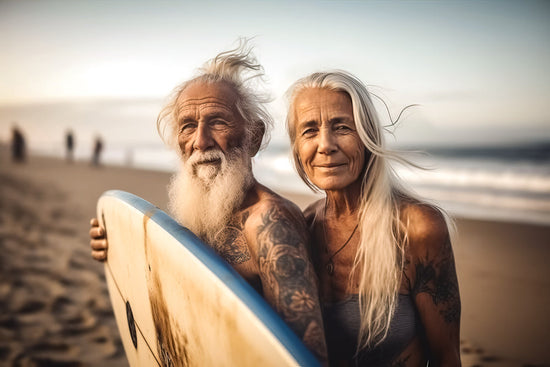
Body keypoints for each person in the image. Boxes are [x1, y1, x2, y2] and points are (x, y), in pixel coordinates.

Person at [89, 42, 328, 362]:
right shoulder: (200, 214)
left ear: (254, 137)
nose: (200, 141)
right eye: (188, 126)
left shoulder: (271, 223)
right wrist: (118, 247)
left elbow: (304, 356)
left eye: (217, 122)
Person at [285, 71, 461, 366]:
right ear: (296, 147)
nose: (325, 144)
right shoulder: (305, 227)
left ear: (367, 137)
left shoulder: (415, 227)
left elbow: (447, 356)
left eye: (342, 127)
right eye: (310, 130)